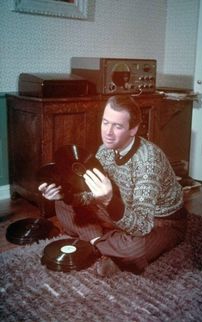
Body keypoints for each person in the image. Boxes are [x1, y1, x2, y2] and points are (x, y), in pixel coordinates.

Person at [39, 95, 187, 276]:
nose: (108, 132)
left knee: (135, 249)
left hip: (160, 222)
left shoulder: (148, 162)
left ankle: (97, 241)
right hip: (122, 210)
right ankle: (102, 243)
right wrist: (65, 194)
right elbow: (89, 194)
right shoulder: (105, 149)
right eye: (105, 122)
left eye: (117, 126)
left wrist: (109, 201)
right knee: (62, 204)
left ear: (133, 129)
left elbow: (142, 226)